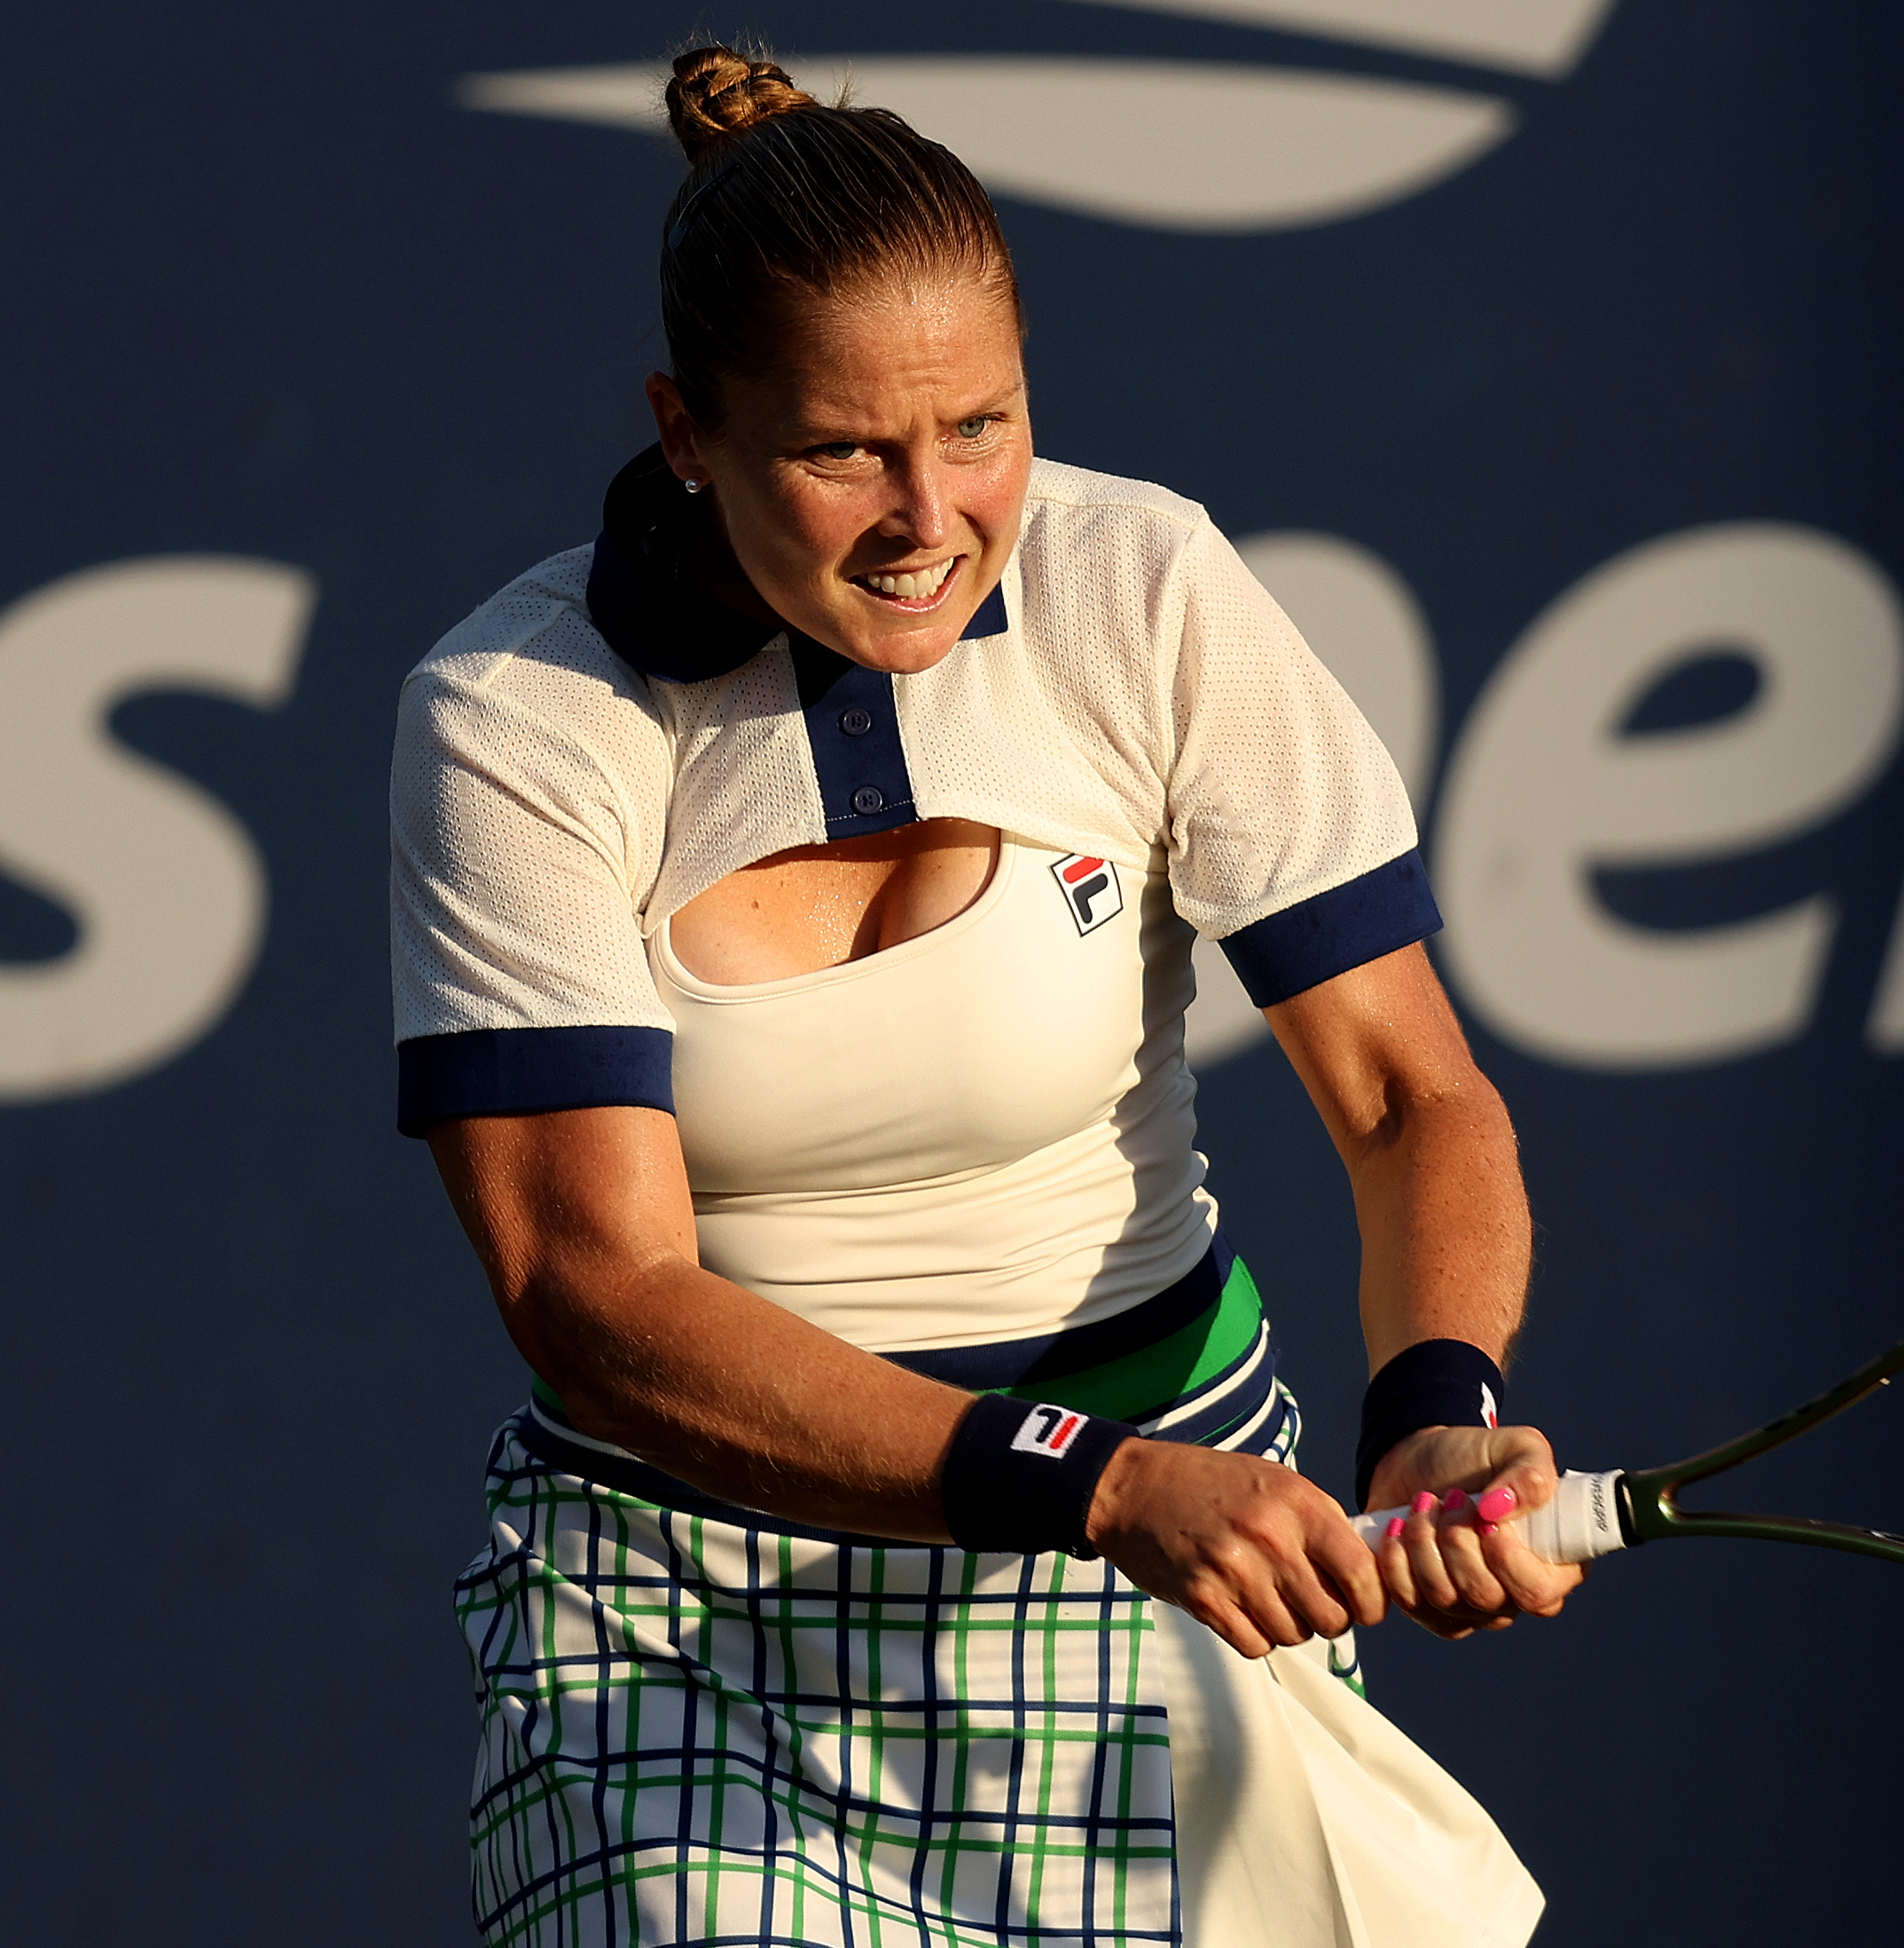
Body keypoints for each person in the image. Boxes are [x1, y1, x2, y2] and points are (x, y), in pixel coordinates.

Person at [391, 44, 1579, 1948]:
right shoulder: (516, 718)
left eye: (981, 427)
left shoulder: (1146, 584)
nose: (928, 514)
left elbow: (1403, 1097)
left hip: (1166, 1570)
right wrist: (1089, 1483)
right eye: (841, 449)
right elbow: (590, 1296)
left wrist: (1438, 1402)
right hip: (689, 1622)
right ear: (684, 429)